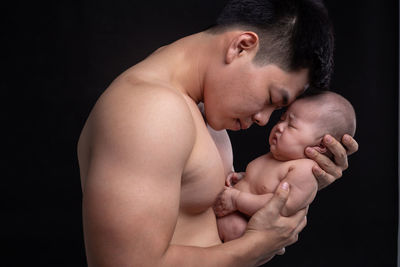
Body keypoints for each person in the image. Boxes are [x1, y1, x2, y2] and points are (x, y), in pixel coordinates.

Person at [77, 0, 359, 266]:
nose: (263, 119)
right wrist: (258, 246)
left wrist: (299, 179)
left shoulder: (198, 110)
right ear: (242, 46)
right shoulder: (150, 109)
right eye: (272, 97)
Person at [214, 91, 356, 242]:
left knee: (236, 229)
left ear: (321, 145)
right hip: (223, 211)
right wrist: (242, 177)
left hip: (241, 228)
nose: (280, 126)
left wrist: (237, 200)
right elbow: (261, 184)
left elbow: (281, 206)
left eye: (291, 125)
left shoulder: (304, 171)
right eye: (282, 119)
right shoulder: (276, 157)